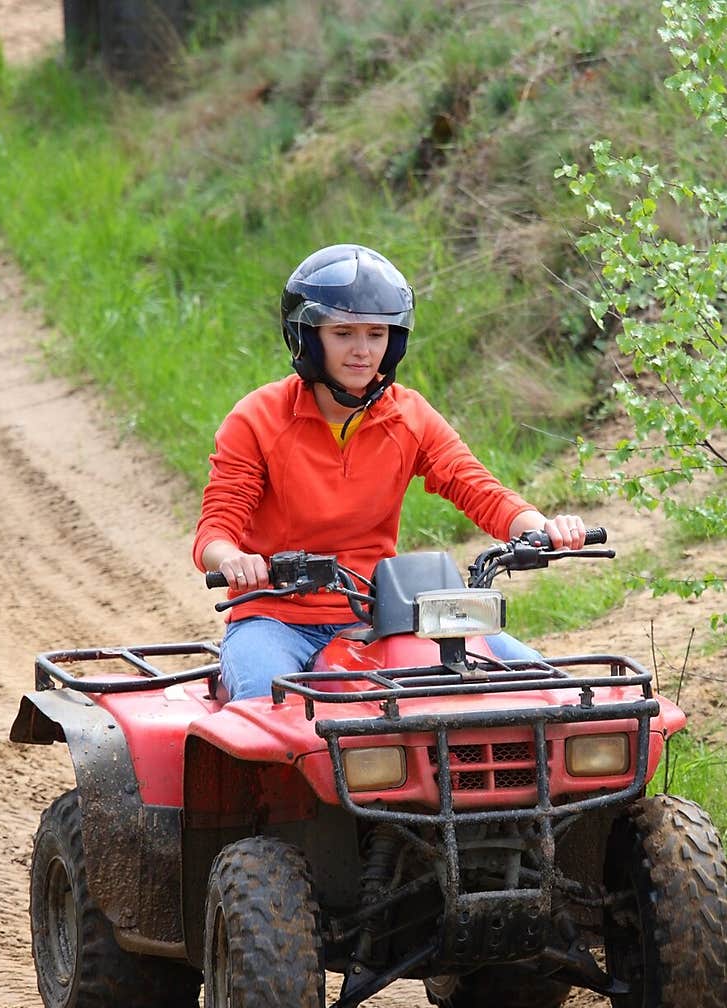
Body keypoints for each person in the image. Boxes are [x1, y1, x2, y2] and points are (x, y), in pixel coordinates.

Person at [193, 243, 588, 700]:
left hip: (382, 616)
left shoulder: (409, 416)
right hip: (276, 620)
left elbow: (479, 490)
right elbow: (215, 531)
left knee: (550, 693)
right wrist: (234, 561)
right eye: (343, 333)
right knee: (266, 708)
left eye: (377, 335)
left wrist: (545, 529)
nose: (363, 351)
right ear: (307, 338)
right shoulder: (257, 418)